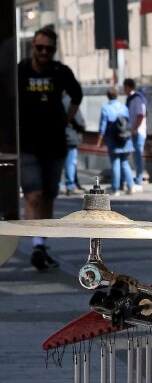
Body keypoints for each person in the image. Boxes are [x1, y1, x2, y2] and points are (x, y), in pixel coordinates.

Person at [17, 25, 83, 270]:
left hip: (55, 144)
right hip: (27, 144)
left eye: (49, 49)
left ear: (54, 50)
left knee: (48, 196)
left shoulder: (60, 71)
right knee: (33, 195)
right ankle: (36, 244)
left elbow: (77, 95)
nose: (44, 52)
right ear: (33, 47)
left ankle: (42, 243)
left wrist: (67, 118)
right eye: (40, 47)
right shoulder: (21, 71)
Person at [96, 87, 135, 195]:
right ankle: (131, 186)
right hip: (126, 139)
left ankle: (115, 188)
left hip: (113, 139)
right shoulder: (123, 107)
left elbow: (102, 126)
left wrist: (100, 140)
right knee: (125, 162)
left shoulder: (106, 108)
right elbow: (129, 123)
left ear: (107, 96)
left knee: (115, 163)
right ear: (117, 95)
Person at [122, 77, 146, 192]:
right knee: (134, 155)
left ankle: (139, 179)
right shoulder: (131, 98)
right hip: (133, 130)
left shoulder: (137, 98)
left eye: (124, 87)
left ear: (128, 87)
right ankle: (135, 178)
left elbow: (140, 114)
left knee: (138, 156)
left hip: (138, 132)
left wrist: (135, 129)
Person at [61, 92, 86, 195]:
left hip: (59, 136)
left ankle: (59, 186)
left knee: (60, 162)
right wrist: (83, 126)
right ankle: (71, 185)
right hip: (70, 135)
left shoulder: (56, 99)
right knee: (71, 162)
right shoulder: (70, 101)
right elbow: (78, 119)